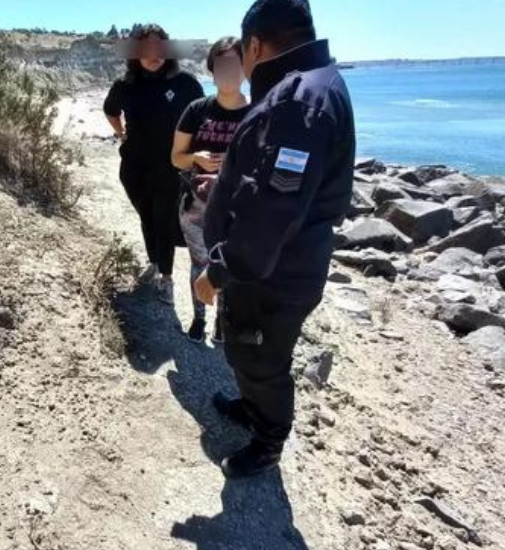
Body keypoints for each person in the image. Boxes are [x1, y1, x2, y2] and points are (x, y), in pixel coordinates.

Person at [195, 0, 356, 478]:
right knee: (250, 351)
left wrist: (218, 271)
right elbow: (274, 185)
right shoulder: (313, 85)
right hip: (275, 264)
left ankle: (268, 443)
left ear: (256, 45)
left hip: (274, 271)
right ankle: (253, 407)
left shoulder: (298, 101)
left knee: (261, 357)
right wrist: (226, 183)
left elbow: (274, 212)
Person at [104, 24, 204, 304]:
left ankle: (167, 278)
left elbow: (204, 116)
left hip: (171, 168)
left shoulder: (185, 83)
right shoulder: (125, 85)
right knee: (146, 217)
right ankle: (155, 263)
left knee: (164, 219)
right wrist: (122, 133)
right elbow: (110, 111)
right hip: (134, 169)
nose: (153, 54)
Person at [172, 37, 250, 344]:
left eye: (235, 64)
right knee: (200, 264)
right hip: (197, 205)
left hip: (238, 209)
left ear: (246, 68)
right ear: (212, 70)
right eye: (221, 65)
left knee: (229, 267)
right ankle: (199, 318)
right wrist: (196, 158)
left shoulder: (258, 112)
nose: (228, 71)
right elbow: (175, 157)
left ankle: (222, 321)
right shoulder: (197, 110)